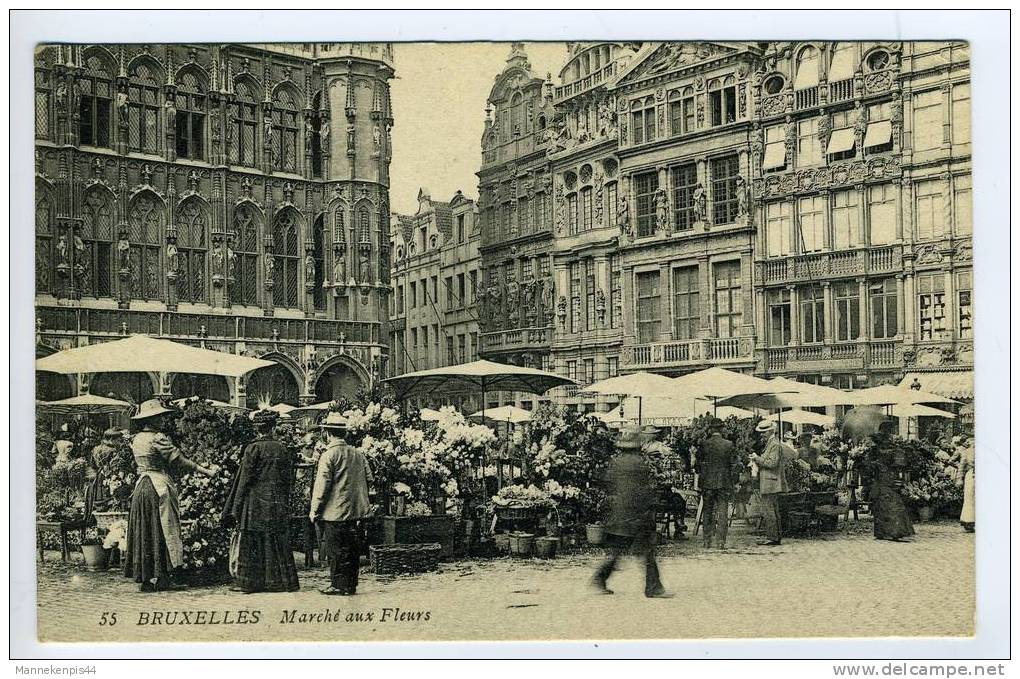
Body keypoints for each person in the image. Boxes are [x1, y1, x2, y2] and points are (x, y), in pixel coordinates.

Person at [123, 399, 218, 592]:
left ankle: (145, 578)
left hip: (142, 486)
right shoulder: (158, 438)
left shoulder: (137, 438)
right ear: (153, 419)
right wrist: (203, 470)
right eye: (161, 417)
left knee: (144, 529)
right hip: (157, 485)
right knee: (163, 528)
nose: (164, 420)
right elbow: (178, 461)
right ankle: (164, 576)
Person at [221, 409, 299, 593]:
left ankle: (250, 583)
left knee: (253, 541)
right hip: (277, 502)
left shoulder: (253, 448)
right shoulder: (282, 448)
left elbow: (244, 479)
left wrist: (235, 506)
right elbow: (288, 478)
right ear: (273, 428)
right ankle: (281, 582)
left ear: (257, 429)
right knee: (276, 540)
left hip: (255, 503)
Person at [591, 426, 671, 598]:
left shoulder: (616, 462)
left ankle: (600, 578)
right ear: (636, 447)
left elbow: (608, 483)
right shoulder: (640, 464)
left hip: (618, 513)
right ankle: (653, 587)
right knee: (647, 551)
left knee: (618, 550)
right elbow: (643, 490)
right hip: (636, 514)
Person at [309, 412, 373, 596]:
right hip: (355, 511)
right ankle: (350, 584)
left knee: (336, 549)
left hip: (334, 511)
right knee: (352, 549)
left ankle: (337, 584)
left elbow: (322, 486)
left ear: (328, 434)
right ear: (344, 434)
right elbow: (369, 478)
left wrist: (314, 510)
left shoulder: (328, 455)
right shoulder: (358, 454)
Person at [749, 420, 793, 546]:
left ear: (769, 432)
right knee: (773, 510)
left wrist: (757, 458)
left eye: (763, 433)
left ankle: (772, 537)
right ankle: (775, 536)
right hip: (771, 481)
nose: (761, 435)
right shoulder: (771, 443)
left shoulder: (774, 444)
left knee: (769, 510)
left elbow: (772, 463)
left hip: (771, 482)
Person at [868, 425, 915, 542]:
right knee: (887, 504)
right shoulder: (878, 445)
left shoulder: (886, 445)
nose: (889, 434)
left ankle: (886, 531)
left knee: (885, 504)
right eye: (888, 431)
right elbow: (871, 461)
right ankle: (891, 531)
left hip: (885, 477)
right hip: (883, 477)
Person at [697, 418, 738, 550]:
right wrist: (734, 481)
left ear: (710, 430)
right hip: (724, 482)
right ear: (722, 429)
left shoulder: (704, 444)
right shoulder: (729, 444)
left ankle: (706, 541)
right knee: (723, 512)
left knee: (707, 511)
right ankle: (720, 541)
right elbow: (734, 465)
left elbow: (697, 465)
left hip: (707, 483)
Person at [957, 437, 975, 533]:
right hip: (971, 475)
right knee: (969, 498)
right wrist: (959, 479)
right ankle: (969, 521)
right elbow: (961, 466)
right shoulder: (966, 452)